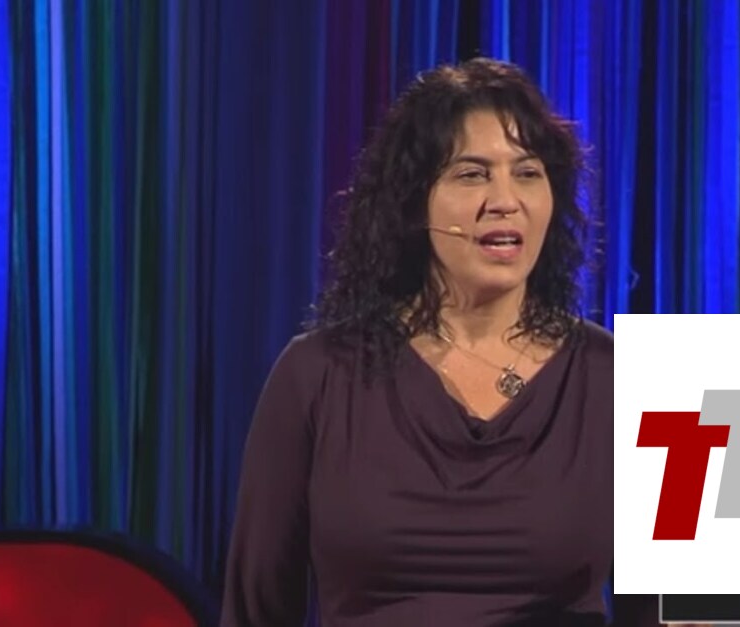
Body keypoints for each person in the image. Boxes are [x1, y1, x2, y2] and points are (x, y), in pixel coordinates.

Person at [220, 57, 655, 626]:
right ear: (414, 201)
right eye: (472, 174)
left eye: (527, 173)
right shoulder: (316, 375)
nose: (505, 199)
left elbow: (661, 613)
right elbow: (255, 611)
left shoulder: (616, 378)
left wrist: (723, 604)